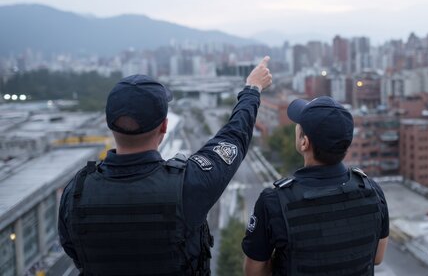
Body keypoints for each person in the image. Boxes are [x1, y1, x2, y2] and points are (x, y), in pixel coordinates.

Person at [58, 56, 272, 275]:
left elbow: (74, 250)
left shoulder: (76, 192)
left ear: (109, 124)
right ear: (164, 126)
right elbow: (234, 137)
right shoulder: (188, 185)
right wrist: (252, 89)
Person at [242, 96, 389, 276]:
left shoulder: (274, 202)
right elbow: (377, 257)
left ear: (304, 142)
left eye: (299, 125)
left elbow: (254, 272)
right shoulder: (372, 191)